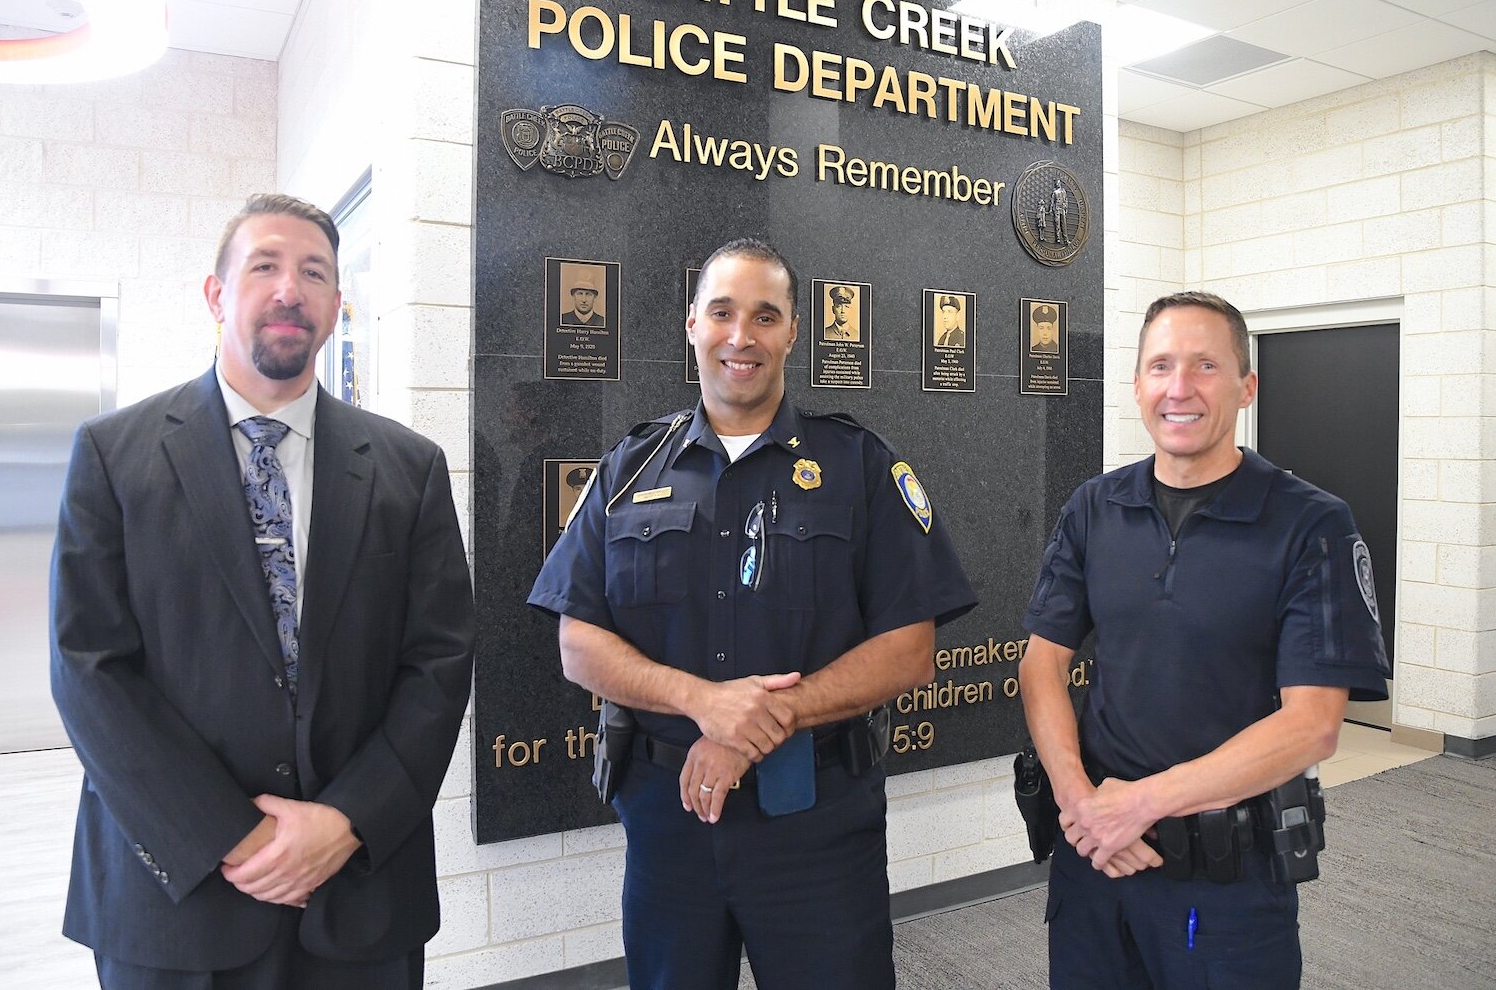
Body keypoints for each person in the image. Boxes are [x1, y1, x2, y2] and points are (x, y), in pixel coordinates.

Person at [50, 193, 476, 989]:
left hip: (358, 891)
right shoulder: (115, 454)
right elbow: (88, 667)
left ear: (337, 305)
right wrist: (229, 835)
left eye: (314, 272)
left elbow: (441, 661)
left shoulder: (407, 468)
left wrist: (348, 822)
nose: (290, 289)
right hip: (176, 895)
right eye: (265, 266)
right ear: (217, 295)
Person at [529, 238, 976, 989]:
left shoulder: (858, 466)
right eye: (724, 313)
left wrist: (761, 724)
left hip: (819, 826)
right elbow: (579, 643)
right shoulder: (630, 467)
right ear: (692, 324)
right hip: (670, 823)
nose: (742, 337)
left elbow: (908, 649)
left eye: (765, 316)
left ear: (794, 331)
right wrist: (705, 704)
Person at [1018, 291, 1389, 990]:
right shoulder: (1094, 508)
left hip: (1225, 886)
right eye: (1160, 367)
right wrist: (1081, 804)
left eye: (1205, 367)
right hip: (1093, 865)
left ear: (1247, 387)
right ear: (1136, 386)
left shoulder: (1311, 525)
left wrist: (1140, 804)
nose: (1179, 388)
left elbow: (1311, 727)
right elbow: (1042, 663)